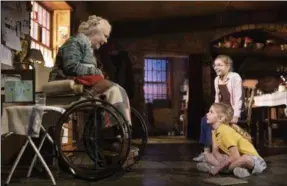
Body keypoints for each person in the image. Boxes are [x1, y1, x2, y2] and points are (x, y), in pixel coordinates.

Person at [49, 15, 131, 126]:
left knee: (117, 89)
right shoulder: (74, 42)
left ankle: (119, 126)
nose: (106, 41)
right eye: (105, 36)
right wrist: (95, 71)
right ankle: (115, 128)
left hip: (82, 84)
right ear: (95, 32)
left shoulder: (88, 47)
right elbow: (71, 67)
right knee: (113, 89)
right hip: (67, 83)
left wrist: (95, 72)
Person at [193, 55, 248, 162]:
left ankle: (213, 153)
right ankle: (206, 152)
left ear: (228, 66)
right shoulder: (217, 79)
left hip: (233, 110)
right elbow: (217, 98)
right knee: (205, 119)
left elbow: (238, 98)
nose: (216, 67)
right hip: (222, 109)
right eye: (215, 65)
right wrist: (212, 111)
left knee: (212, 121)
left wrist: (236, 115)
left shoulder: (235, 77)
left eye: (220, 65)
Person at [196, 103, 266, 178]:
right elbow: (215, 151)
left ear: (221, 118)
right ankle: (237, 170)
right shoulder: (214, 131)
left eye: (211, 112)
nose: (207, 114)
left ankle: (217, 169)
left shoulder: (225, 131)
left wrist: (219, 166)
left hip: (253, 160)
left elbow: (236, 156)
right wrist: (220, 159)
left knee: (245, 159)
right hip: (233, 159)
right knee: (207, 155)